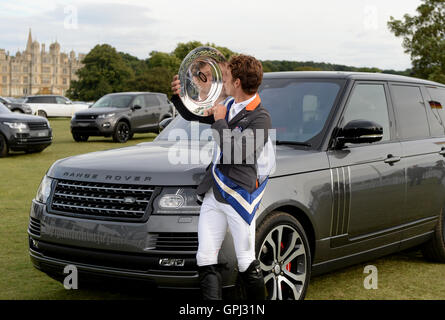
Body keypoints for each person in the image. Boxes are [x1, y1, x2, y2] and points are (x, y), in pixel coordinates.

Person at [171, 54, 273, 300]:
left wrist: (218, 122)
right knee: (205, 258)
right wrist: (178, 95)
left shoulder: (261, 118)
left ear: (237, 82)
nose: (222, 81)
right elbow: (193, 114)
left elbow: (236, 152)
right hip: (214, 193)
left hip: (239, 195)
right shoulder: (226, 105)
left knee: (246, 261)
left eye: (226, 76)